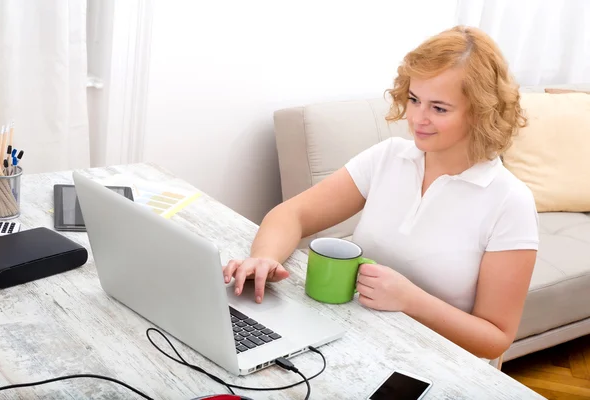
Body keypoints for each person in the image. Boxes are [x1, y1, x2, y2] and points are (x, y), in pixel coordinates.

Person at [222, 25, 539, 360]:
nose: (418, 118)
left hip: (433, 362)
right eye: (415, 99)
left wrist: (411, 301)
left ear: (481, 112)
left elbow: (495, 338)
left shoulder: (509, 202)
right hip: (354, 342)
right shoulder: (389, 157)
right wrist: (266, 257)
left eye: (439, 108)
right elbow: (293, 214)